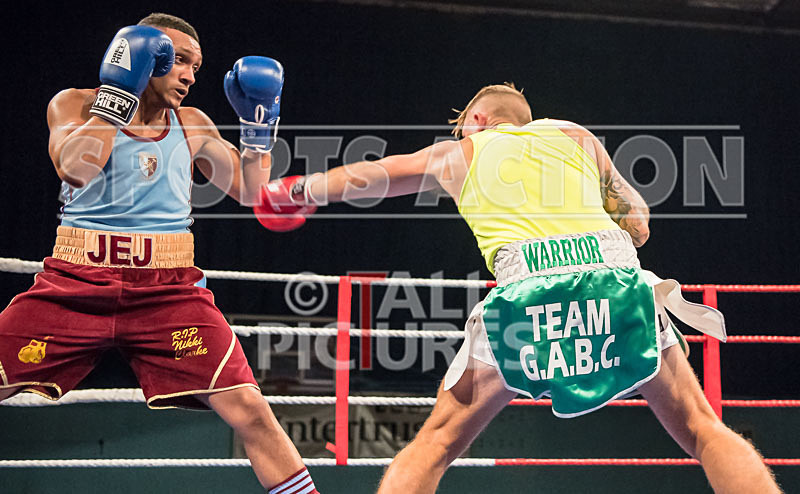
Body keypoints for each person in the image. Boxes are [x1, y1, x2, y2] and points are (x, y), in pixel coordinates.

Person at [257, 83, 782, 493]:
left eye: (463, 125)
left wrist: (294, 191)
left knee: (436, 442)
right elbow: (640, 224)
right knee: (700, 427)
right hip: (612, 277)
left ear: (478, 121)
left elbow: (374, 175)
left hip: (524, 292)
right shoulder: (575, 136)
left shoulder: (456, 154)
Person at [0, 13, 319, 494]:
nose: (191, 74)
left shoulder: (191, 124)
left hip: (168, 292)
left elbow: (252, 193)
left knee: (250, 409)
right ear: (145, 56)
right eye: (180, 60)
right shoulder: (76, 104)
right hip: (75, 283)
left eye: (198, 65)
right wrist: (116, 95)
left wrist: (258, 130)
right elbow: (74, 167)